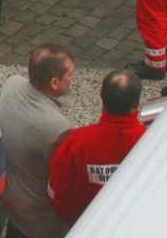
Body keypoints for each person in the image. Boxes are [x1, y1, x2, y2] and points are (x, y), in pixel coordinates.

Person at [48, 69, 145, 228]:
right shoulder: (151, 142)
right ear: (137, 103)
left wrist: (72, 218)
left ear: (101, 96)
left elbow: (57, 192)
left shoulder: (77, 142)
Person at [0, 45, 76, 238]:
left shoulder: (12, 84)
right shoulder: (59, 128)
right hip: (42, 224)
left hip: (13, 208)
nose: (72, 78)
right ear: (54, 83)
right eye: (70, 74)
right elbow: (66, 184)